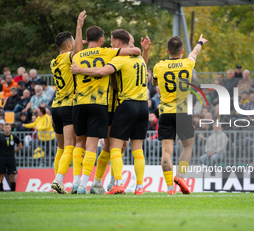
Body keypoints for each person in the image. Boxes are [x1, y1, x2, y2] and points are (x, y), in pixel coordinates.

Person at [72, 29, 151, 195]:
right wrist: (144, 51)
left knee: (118, 146)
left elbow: (102, 70)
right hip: (112, 106)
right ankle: (100, 182)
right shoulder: (120, 56)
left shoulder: (118, 57)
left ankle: (110, 182)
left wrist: (80, 69)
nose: (109, 43)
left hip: (121, 106)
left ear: (118, 44)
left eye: (112, 41)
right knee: (111, 147)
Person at [152, 34, 208, 195]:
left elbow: (154, 82)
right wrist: (200, 42)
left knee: (166, 151)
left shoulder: (159, 66)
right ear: (182, 51)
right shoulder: (187, 63)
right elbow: (195, 53)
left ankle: (170, 188)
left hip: (165, 112)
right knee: (188, 146)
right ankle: (181, 176)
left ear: (167, 50)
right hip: (183, 112)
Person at [49, 11, 87, 194]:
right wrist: (79, 26)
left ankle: (57, 182)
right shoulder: (68, 57)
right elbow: (77, 54)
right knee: (71, 145)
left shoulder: (54, 62)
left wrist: (78, 42)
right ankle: (58, 179)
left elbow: (75, 51)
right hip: (68, 105)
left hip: (55, 106)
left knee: (61, 147)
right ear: (70, 44)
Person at [0, 123, 22, 191]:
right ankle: (0, 191)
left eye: (8, 128)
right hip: (2, 158)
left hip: (11, 158)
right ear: (3, 128)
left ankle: (13, 192)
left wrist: (14, 152)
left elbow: (20, 146)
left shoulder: (14, 136)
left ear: (10, 128)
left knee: (12, 176)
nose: (6, 129)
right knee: (1, 176)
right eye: (5, 128)